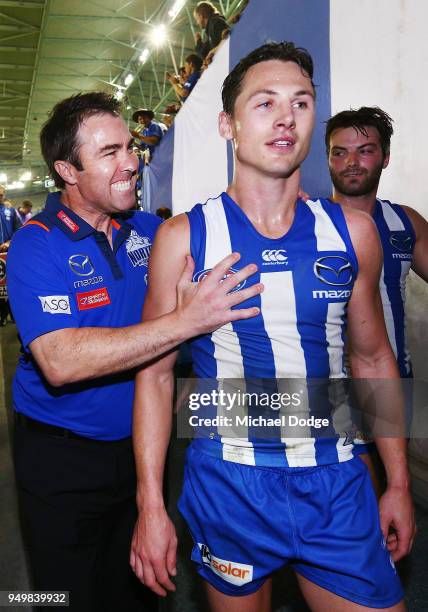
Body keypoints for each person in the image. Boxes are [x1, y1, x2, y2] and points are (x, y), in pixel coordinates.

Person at [130, 42, 415, 611]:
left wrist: (399, 481)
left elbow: (374, 359)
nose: (286, 117)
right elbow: (156, 377)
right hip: (231, 481)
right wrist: (151, 506)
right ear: (227, 125)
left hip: (336, 479)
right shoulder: (185, 239)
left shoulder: (352, 233)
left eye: (301, 103)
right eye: (265, 104)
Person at [6, 91, 262, 612]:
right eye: (109, 153)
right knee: (64, 594)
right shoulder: (37, 245)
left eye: (129, 147)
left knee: (142, 585)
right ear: (67, 171)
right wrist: (182, 322)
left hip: (144, 448)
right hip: (61, 456)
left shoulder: (152, 232)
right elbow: (61, 360)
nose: (130, 162)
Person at [326, 106, 428, 378]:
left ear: (385, 158)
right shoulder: (305, 223)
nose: (351, 161)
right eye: (340, 152)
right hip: (331, 393)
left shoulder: (406, 222)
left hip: (394, 382)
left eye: (365, 150)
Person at [0, 183, 22, 252]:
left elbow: (19, 229)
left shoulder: (11, 210)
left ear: (4, 195)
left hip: (9, 250)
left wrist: (9, 242)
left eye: (0, 195)